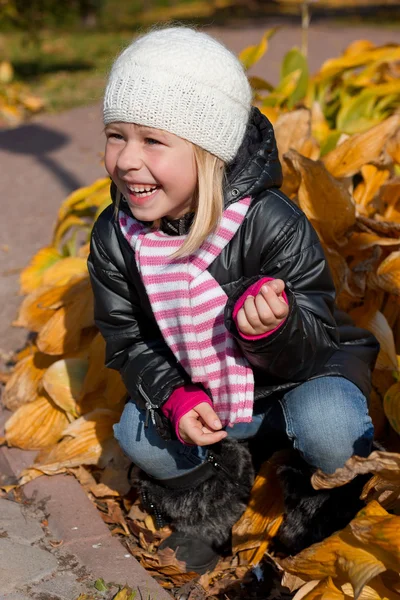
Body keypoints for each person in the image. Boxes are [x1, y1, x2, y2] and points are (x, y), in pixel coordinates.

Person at [88, 26, 379, 574]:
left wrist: (274, 329)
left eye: (152, 141)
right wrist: (173, 396)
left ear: (210, 152)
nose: (127, 159)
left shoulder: (270, 221)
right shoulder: (115, 237)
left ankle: (323, 511)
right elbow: (128, 339)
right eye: (115, 135)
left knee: (332, 427)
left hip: (296, 380)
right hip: (208, 396)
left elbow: (316, 344)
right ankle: (208, 512)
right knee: (136, 432)